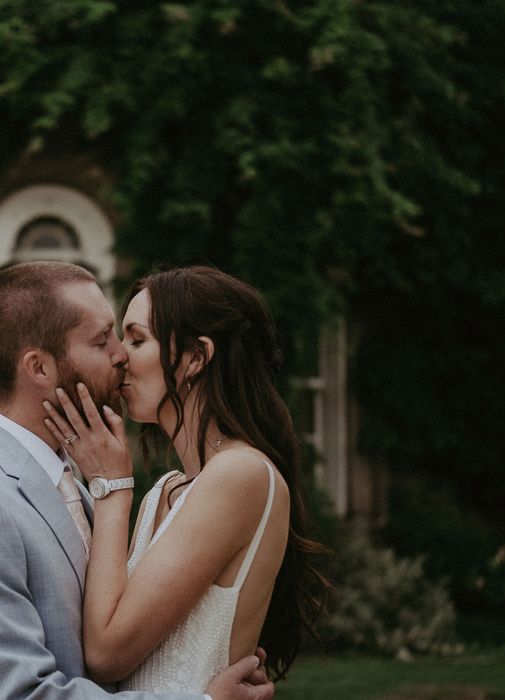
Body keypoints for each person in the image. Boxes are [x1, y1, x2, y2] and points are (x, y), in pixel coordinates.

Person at [0, 261, 274, 700]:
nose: (120, 354)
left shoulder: (77, 483)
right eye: (104, 341)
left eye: (130, 337)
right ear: (39, 369)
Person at [42, 266, 328, 692]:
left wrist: (111, 487)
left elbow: (106, 655)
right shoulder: (166, 490)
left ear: (195, 357)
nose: (120, 355)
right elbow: (98, 624)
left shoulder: (241, 473)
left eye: (138, 339)